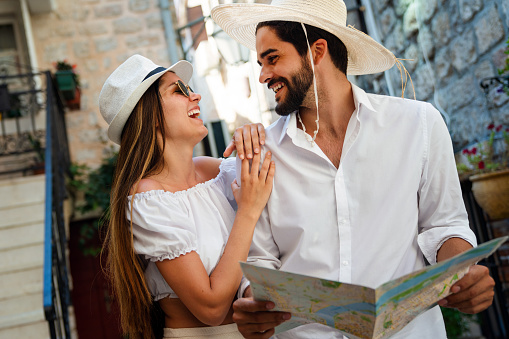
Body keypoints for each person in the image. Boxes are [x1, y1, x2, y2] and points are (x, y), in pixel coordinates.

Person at [212, 0, 495, 338]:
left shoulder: (417, 124)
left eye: (272, 58)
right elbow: (260, 261)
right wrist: (251, 300)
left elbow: (444, 225)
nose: (262, 76)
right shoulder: (260, 154)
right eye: (260, 63)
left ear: (317, 51)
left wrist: (461, 273)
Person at [98, 54, 275, 339]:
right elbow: (212, 308)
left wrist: (256, 137)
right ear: (151, 114)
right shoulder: (148, 198)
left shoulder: (211, 170)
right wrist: (247, 212)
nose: (196, 95)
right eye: (179, 90)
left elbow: (273, 175)